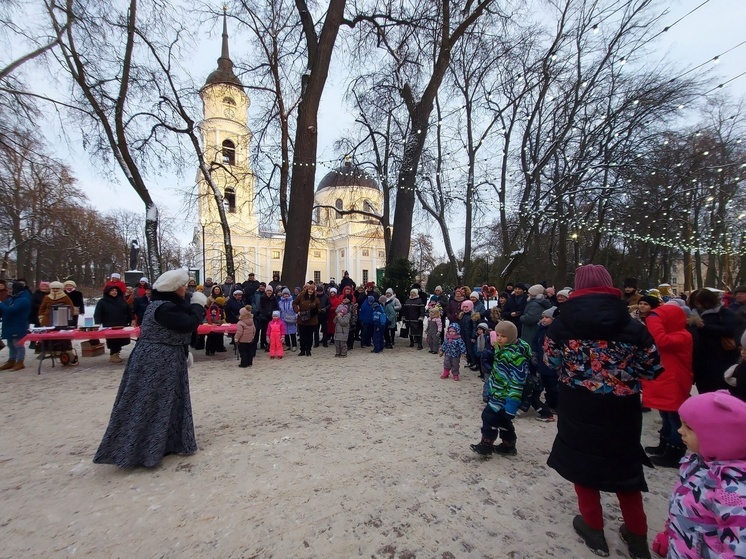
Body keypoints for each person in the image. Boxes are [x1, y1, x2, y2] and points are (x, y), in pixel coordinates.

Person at [543, 264, 662, 559]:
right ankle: (637, 534)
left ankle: (594, 527)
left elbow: (550, 360)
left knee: (582, 459)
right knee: (625, 464)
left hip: (578, 402)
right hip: (621, 407)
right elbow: (653, 367)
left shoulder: (562, 325)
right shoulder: (633, 326)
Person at [94, 269, 207, 468]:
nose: (185, 289)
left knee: (168, 403)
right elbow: (189, 323)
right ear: (173, 288)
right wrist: (198, 304)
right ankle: (138, 450)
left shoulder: (167, 305)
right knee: (150, 403)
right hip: (155, 361)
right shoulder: (163, 308)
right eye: (182, 286)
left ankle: (165, 443)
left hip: (167, 359)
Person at [651, 390, 746, 559]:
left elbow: (739, 550)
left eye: (688, 427)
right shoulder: (697, 462)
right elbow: (684, 505)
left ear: (718, 436)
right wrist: (672, 532)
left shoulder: (732, 490)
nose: (680, 431)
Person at [641, 304, 693, 468]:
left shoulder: (683, 335)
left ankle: (674, 453)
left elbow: (660, 341)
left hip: (674, 381)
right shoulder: (675, 334)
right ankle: (664, 445)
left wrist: (653, 320)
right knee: (665, 415)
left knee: (674, 418)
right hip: (665, 379)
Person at [470, 320, 531, 456]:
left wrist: (512, 404)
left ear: (511, 337)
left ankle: (486, 444)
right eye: (497, 335)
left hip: (506, 394)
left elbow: (517, 381)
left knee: (488, 416)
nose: (499, 339)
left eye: (503, 336)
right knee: (503, 420)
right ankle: (508, 445)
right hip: (497, 391)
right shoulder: (501, 349)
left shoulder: (516, 356)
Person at [692, 288, 739, 394]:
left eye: (700, 301)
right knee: (704, 390)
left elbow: (730, 331)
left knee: (719, 389)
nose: (697, 304)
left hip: (721, 357)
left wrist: (705, 327)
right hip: (701, 360)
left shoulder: (724, 312)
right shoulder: (693, 314)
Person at [94, 285, 133, 364]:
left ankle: (117, 353)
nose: (114, 292)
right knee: (113, 340)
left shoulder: (121, 300)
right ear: (108, 292)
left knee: (121, 340)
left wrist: (130, 319)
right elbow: (98, 312)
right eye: (112, 291)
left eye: (115, 290)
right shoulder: (102, 301)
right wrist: (98, 322)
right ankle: (113, 355)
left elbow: (128, 310)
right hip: (109, 324)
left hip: (122, 323)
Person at [0, 281, 31, 371]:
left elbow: (11, 310)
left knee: (18, 344)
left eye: (10, 289)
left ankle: (20, 361)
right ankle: (11, 360)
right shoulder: (11, 298)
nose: (8, 291)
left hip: (18, 324)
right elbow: (4, 309)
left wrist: (1, 304)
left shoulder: (23, 300)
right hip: (9, 324)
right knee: (10, 344)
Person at [294, 283, 320, 356]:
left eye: (312, 290)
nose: (310, 291)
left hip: (311, 320)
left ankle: (308, 349)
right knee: (302, 336)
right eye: (309, 289)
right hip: (302, 319)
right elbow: (294, 303)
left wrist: (314, 312)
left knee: (310, 336)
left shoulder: (316, 299)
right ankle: (302, 350)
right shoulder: (301, 297)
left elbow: (319, 308)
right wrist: (297, 311)